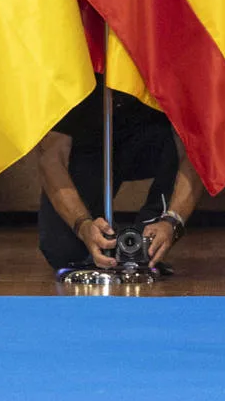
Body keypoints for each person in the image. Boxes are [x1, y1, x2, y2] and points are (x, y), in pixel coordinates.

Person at [36, 84, 202, 273]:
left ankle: (148, 234)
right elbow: (51, 157)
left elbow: (198, 146)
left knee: (146, 249)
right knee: (64, 251)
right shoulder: (69, 66)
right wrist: (82, 224)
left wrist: (173, 222)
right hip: (89, 148)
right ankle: (99, 237)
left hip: (155, 141)